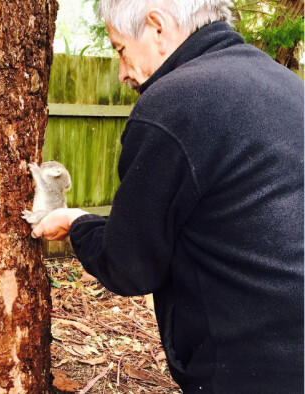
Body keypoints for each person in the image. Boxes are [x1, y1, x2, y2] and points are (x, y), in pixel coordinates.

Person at [32, 0, 304, 392]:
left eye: (121, 49)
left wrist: (77, 224)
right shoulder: (287, 86)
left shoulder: (172, 106)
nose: (123, 73)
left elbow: (130, 265)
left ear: (157, 27)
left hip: (250, 367)